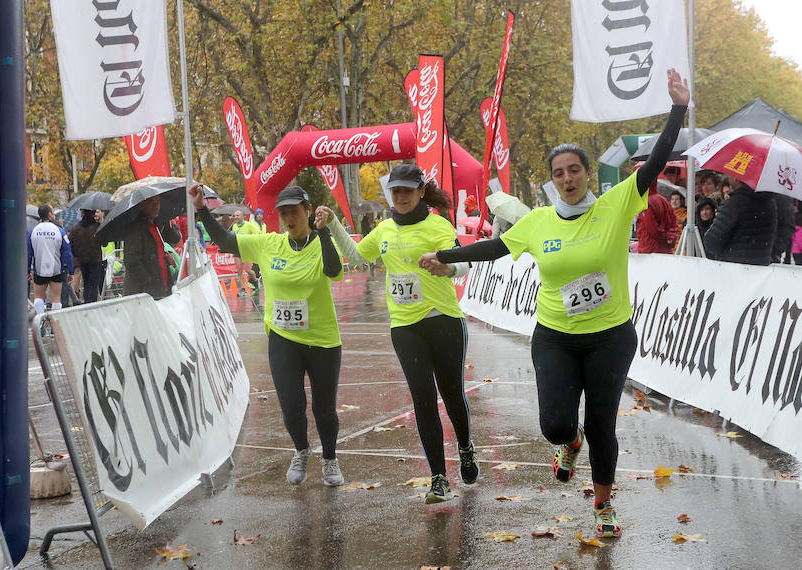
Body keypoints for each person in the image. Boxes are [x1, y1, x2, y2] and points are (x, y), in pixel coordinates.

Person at [419, 69, 690, 538]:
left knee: (603, 424)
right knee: (555, 423)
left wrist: (678, 108)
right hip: (556, 337)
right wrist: (446, 256)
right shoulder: (539, 221)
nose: (567, 179)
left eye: (574, 170)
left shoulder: (617, 203)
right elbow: (495, 249)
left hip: (610, 336)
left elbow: (656, 161)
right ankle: (569, 443)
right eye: (559, 173)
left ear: (587, 174)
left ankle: (603, 506)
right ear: (553, 180)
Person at [324, 164, 478, 504]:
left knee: (451, 394)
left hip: (443, 320)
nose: (401, 196)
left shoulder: (437, 224)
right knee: (423, 399)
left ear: (421, 191)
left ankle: (466, 447)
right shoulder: (383, 230)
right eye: (396, 191)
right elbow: (355, 258)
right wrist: (334, 224)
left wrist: (446, 266)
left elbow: (464, 261)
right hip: (405, 326)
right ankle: (439, 477)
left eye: (408, 190)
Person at [191, 183, 347, 487]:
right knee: (291, 404)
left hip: (323, 340)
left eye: (294, 211)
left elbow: (334, 271)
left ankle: (330, 458)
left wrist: (325, 232)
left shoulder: (321, 242)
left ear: (307, 211)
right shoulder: (269, 243)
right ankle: (302, 450)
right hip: (283, 339)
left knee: (323, 408)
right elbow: (225, 240)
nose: (289, 218)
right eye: (284, 213)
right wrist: (201, 209)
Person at [702, 178, 777, 265]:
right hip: (762, 270)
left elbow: (711, 242)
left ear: (736, 178)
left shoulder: (734, 204)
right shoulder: (770, 203)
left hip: (735, 269)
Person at [123, 195, 181, 298]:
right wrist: (148, 282)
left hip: (160, 289)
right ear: (142, 204)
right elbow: (131, 261)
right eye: (151, 202)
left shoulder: (155, 225)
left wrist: (165, 258)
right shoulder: (135, 229)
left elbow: (174, 239)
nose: (156, 206)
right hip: (145, 295)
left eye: (158, 202)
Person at [27, 205, 74, 314]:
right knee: (56, 298)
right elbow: (67, 252)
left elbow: (29, 253)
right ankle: (54, 327)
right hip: (57, 270)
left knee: (38, 297)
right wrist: (70, 271)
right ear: (49, 215)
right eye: (53, 213)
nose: (54, 215)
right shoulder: (60, 231)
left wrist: (28, 270)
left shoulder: (33, 231)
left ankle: (40, 324)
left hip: (39, 270)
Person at [68, 209, 104, 303]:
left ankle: (87, 302)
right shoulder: (97, 227)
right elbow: (104, 243)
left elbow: (70, 243)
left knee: (86, 282)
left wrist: (77, 253)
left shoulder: (75, 228)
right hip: (96, 259)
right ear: (92, 213)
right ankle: (92, 303)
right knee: (93, 284)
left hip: (82, 259)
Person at [636, 184, 680, 253]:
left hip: (649, 250)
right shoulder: (664, 200)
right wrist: (670, 238)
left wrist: (664, 239)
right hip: (664, 250)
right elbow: (674, 222)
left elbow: (652, 228)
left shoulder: (645, 203)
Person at [231, 209, 259, 297]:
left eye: (238, 215)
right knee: (239, 270)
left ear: (243, 216)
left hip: (247, 250)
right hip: (237, 250)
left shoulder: (249, 225)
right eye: (234, 215)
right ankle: (243, 289)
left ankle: (255, 282)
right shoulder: (234, 226)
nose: (235, 217)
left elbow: (257, 234)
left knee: (248, 270)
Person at [770, 194, 796, 264]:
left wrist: (777, 250)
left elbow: (788, 227)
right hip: (747, 250)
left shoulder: (782, 198)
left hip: (770, 252)